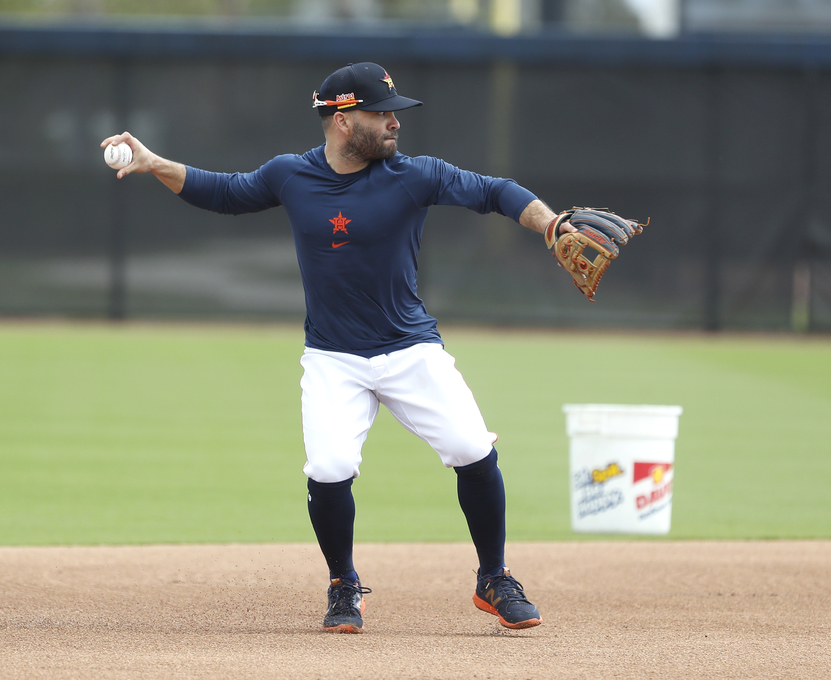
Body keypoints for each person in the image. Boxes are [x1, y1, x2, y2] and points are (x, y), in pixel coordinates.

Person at [101, 62, 575, 634]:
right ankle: (343, 583)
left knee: (472, 447)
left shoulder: (415, 175)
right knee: (329, 468)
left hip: (409, 347)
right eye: (382, 114)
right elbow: (223, 192)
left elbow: (496, 191)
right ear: (344, 120)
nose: (394, 123)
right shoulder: (290, 175)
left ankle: (494, 578)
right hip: (333, 356)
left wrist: (550, 224)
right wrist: (153, 162)